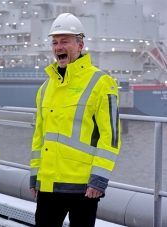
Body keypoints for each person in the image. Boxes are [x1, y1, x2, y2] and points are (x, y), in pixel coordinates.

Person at [29, 13, 121, 227]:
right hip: (49, 185)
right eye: (54, 42)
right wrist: (35, 175)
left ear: (80, 45)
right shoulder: (46, 88)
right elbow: (39, 137)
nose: (58, 47)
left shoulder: (101, 82)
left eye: (65, 41)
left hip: (84, 187)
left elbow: (111, 137)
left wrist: (98, 179)